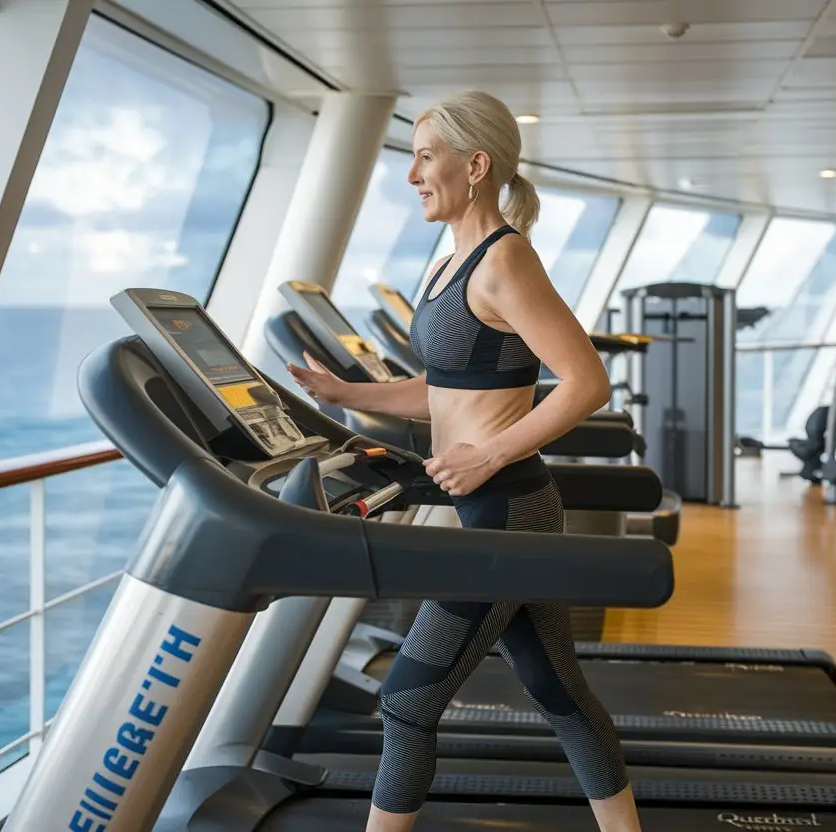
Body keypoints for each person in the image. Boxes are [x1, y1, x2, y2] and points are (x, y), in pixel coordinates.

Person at [286, 89, 641, 832]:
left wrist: (487, 455)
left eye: (425, 157)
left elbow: (587, 383)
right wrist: (343, 391)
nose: (412, 174)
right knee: (558, 691)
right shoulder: (449, 264)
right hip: (494, 506)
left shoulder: (506, 260)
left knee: (406, 702)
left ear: (475, 166)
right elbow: (441, 387)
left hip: (507, 508)